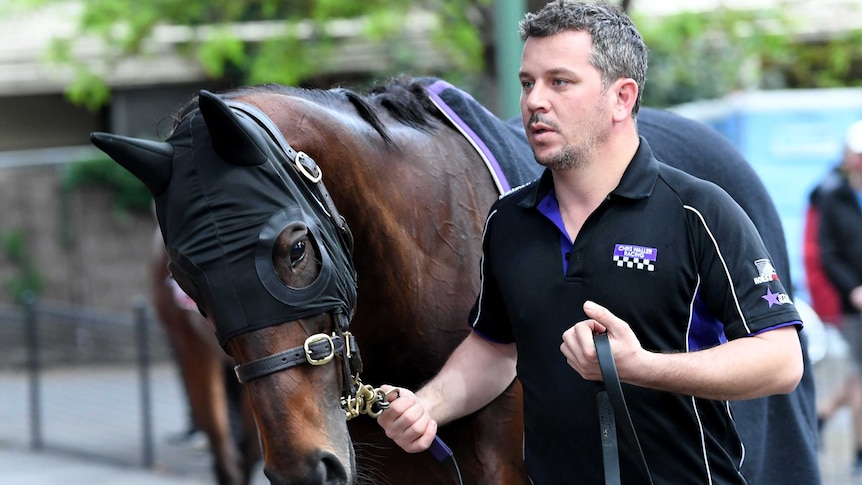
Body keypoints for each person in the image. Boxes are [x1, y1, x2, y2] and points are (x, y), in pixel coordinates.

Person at [376, 2, 804, 483]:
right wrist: (426, 406)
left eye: (559, 81)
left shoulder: (698, 211)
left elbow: (780, 360)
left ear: (622, 97)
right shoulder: (509, 220)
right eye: (526, 83)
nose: (535, 100)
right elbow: (497, 350)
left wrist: (641, 366)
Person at [815, 119, 862, 472]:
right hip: (854, 304)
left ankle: (822, 411)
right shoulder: (832, 194)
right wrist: (852, 289)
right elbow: (828, 254)